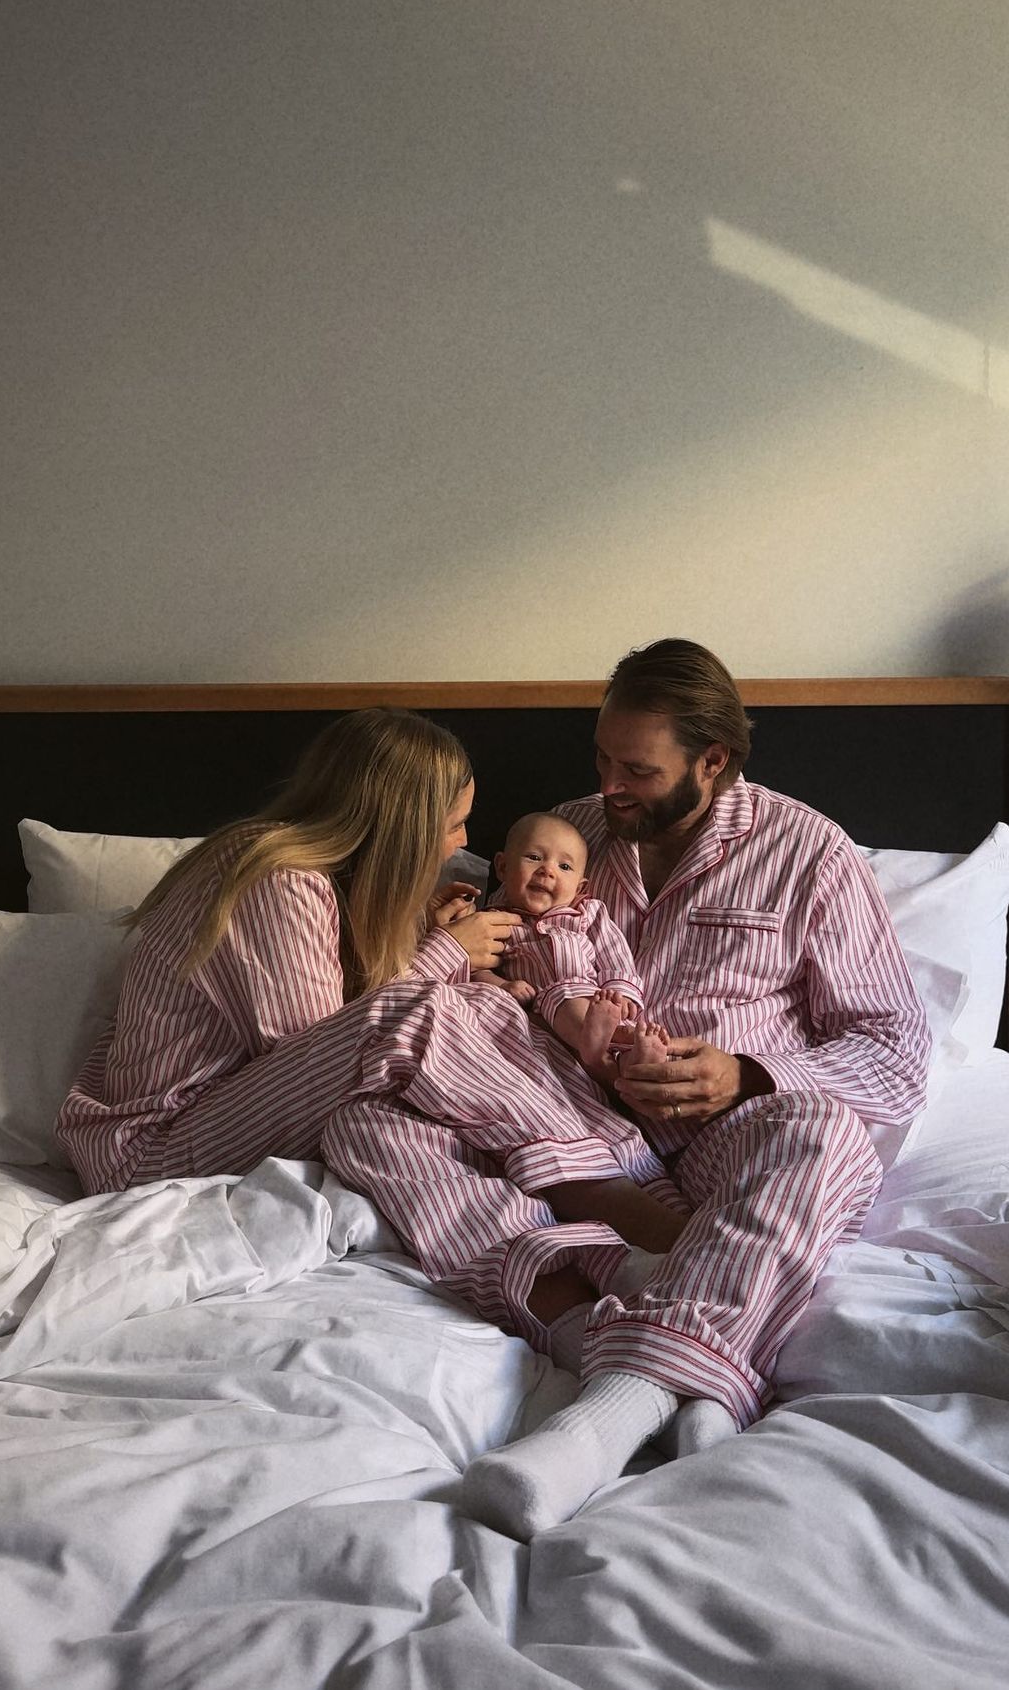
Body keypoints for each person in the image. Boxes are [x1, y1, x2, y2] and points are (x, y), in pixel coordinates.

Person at [323, 643, 932, 1540]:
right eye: (602, 757)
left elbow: (896, 1051)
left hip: (727, 1132)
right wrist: (443, 924)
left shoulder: (810, 853)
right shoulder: (562, 836)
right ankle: (654, 1353)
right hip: (552, 1117)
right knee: (366, 1118)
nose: (609, 786)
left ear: (712, 761)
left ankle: (613, 1408)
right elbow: (472, 945)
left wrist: (745, 1075)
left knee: (825, 1134)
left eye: (637, 771)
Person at [54, 710, 686, 1288]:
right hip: (154, 1149)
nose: (460, 842)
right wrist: (444, 955)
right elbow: (323, 1050)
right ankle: (609, 1191)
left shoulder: (321, 879)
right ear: (402, 826)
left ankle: (567, 1286)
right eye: (453, 825)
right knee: (435, 1010)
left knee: (381, 1128)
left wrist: (421, 936)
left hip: (233, 1116)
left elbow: (336, 1055)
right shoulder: (277, 879)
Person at [473, 810, 669, 1076]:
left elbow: (613, 951)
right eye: (534, 857)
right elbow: (477, 969)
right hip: (546, 1007)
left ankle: (635, 1060)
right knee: (563, 998)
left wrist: (620, 991)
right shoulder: (494, 921)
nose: (547, 871)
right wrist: (503, 985)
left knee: (622, 1028)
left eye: (564, 867)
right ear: (503, 867)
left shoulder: (587, 913)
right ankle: (599, 1046)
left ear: (579, 888)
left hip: (598, 999)